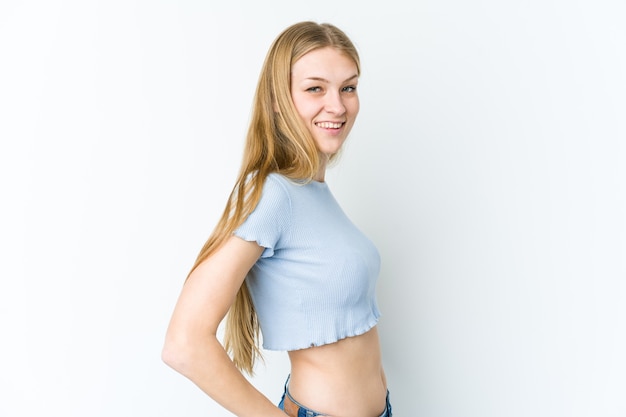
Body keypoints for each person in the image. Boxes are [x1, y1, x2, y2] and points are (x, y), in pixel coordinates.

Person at [162, 21, 392, 417]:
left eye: (348, 88)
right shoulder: (272, 193)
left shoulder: (311, 191)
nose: (337, 105)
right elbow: (184, 344)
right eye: (315, 88)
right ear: (277, 99)